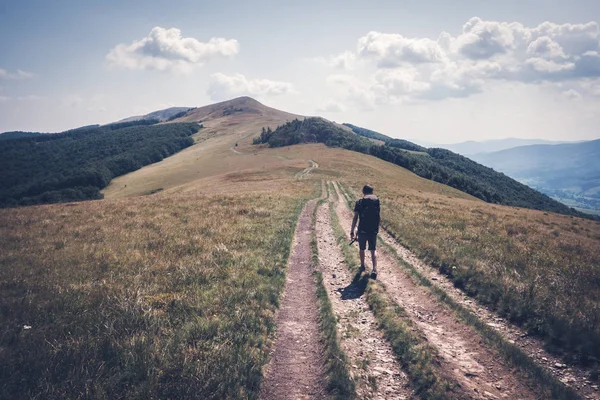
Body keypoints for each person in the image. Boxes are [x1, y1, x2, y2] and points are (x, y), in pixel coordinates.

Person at [350, 185, 380, 279]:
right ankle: (374, 269)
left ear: (363, 191)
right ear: (372, 191)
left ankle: (362, 266)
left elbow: (355, 217)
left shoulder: (359, 202)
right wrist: (377, 227)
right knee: (373, 249)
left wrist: (352, 230)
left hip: (362, 229)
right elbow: (378, 217)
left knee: (362, 248)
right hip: (373, 229)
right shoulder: (376, 201)